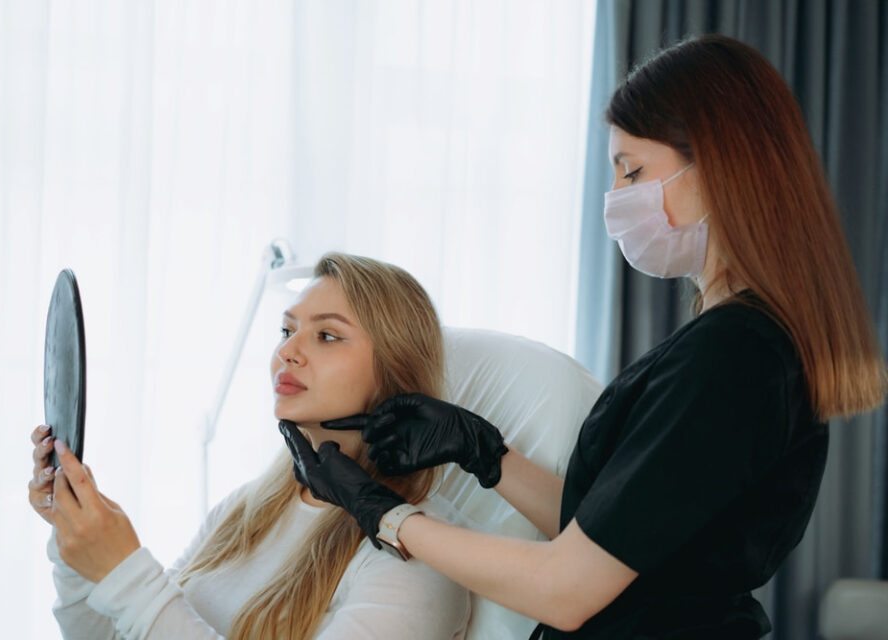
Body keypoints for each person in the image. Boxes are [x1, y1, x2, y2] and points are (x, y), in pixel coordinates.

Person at [280, 34, 888, 639]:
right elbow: (610, 537)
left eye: (633, 172)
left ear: (718, 164)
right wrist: (482, 452)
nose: (617, 199)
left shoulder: (735, 357)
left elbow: (566, 588)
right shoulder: (737, 345)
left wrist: (383, 514)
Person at [27, 253, 470, 639]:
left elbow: (142, 605)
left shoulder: (420, 551)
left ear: (397, 371)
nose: (287, 352)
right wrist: (76, 543)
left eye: (327, 335)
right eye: (286, 330)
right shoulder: (248, 506)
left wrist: (127, 574)